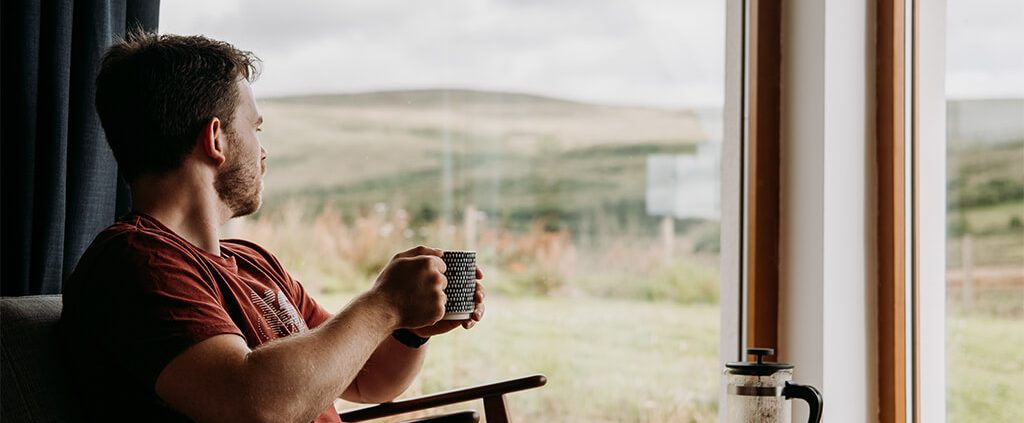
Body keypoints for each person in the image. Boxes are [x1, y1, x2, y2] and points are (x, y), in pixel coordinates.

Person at [59, 31, 485, 423]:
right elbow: (255, 406)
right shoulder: (136, 262)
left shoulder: (252, 262)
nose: (263, 152)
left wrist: (408, 327)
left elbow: (366, 378)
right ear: (216, 139)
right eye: (255, 128)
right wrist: (385, 303)